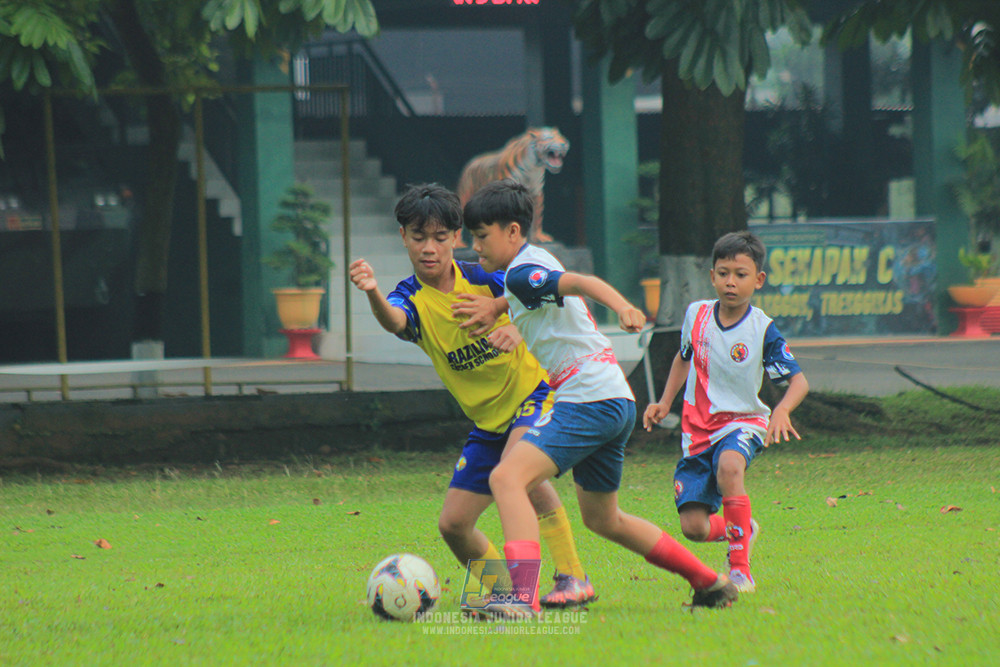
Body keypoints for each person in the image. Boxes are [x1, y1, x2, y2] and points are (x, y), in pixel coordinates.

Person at [459, 179, 738, 615]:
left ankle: (521, 598)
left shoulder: (520, 272)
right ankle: (709, 582)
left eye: (481, 236)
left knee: (506, 479)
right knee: (604, 519)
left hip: (586, 396)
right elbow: (531, 295)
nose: (474, 246)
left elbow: (581, 282)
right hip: (613, 399)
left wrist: (624, 306)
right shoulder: (526, 269)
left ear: (512, 232)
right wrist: (495, 309)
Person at [348, 183, 596, 608]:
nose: (430, 248)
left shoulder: (483, 276)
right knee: (454, 525)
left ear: (456, 239)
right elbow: (394, 322)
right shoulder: (408, 297)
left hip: (534, 395)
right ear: (403, 238)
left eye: (440, 238)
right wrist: (372, 290)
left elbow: (541, 304)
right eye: (419, 237)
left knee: (519, 474)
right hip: (488, 422)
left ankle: (566, 579)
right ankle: (502, 592)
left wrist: (514, 327)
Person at [642, 230, 810, 594]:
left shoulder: (761, 329)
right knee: (694, 528)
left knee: (731, 467)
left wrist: (781, 411)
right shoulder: (696, 315)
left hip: (743, 422)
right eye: (723, 273)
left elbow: (798, 382)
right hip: (697, 432)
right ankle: (743, 529)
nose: (730, 282)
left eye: (740, 274)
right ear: (712, 275)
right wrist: (664, 402)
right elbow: (682, 359)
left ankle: (740, 570)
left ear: (758, 280)